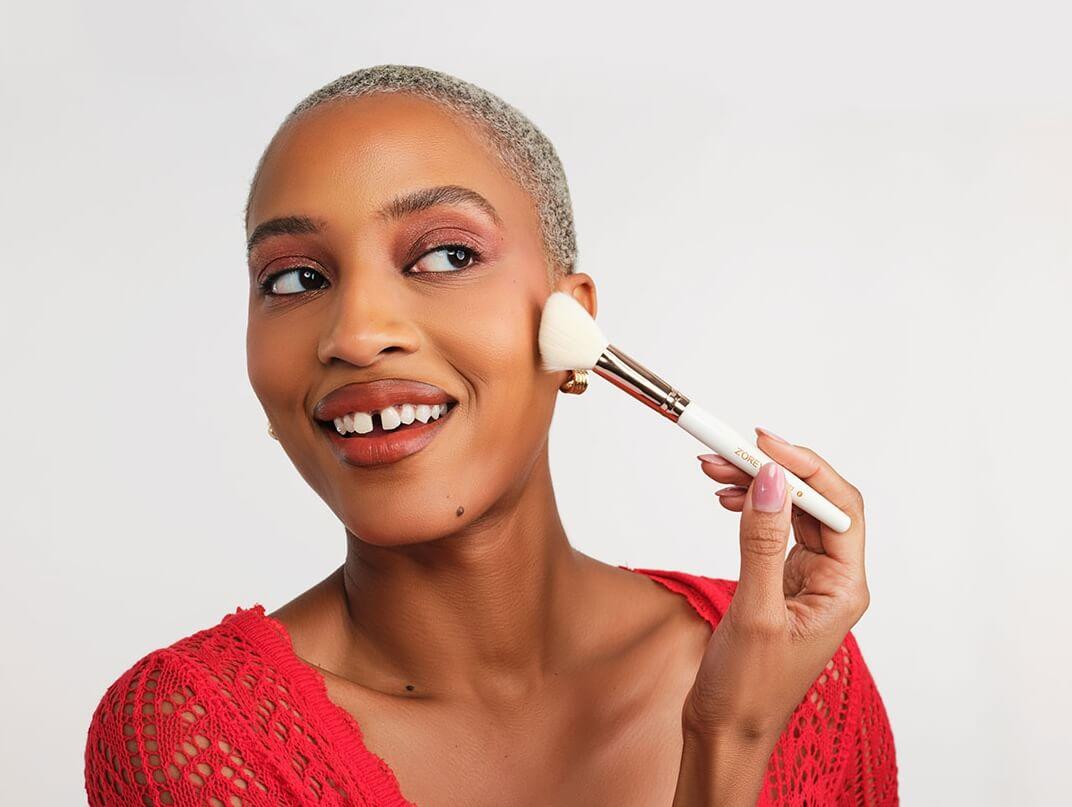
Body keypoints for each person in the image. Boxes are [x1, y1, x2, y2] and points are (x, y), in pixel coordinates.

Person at [84, 64, 897, 806]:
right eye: (296, 278)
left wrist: (750, 721)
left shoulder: (796, 670)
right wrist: (730, 745)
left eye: (443, 255)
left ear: (569, 325)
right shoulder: (190, 734)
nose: (357, 334)